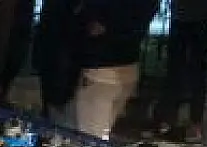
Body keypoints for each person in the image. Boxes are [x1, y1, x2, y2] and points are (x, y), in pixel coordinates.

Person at [67, 0, 161, 139]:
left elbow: (91, 24)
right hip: (127, 66)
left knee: (91, 138)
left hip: (100, 68)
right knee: (101, 132)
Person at [151, 0, 207, 142]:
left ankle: (172, 121)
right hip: (196, 15)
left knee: (179, 70)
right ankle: (188, 123)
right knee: (192, 70)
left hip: (189, 16)